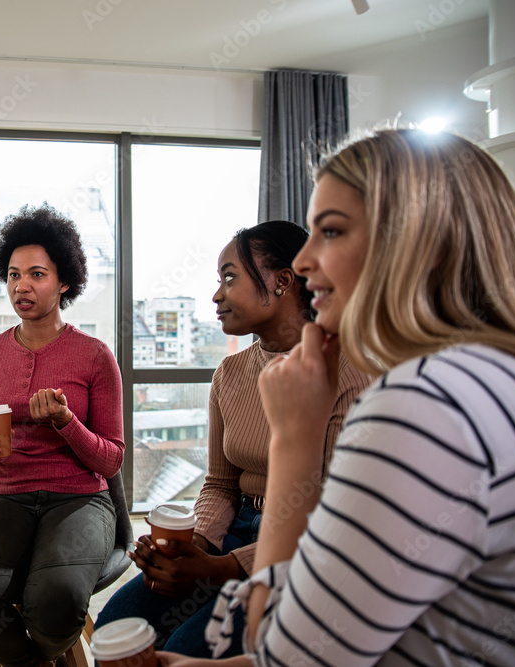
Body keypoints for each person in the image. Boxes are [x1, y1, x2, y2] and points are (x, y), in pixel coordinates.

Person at [161, 129, 515, 666]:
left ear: (418, 244)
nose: (307, 259)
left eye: (331, 231)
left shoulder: (420, 409)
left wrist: (295, 436)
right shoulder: (498, 378)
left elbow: (285, 653)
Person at [95, 221, 371, 657]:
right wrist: (192, 547)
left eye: (229, 277)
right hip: (234, 532)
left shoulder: (349, 374)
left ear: (282, 282)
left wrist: (220, 569)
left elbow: (338, 519)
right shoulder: (230, 373)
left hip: (304, 548)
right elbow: (221, 484)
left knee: (189, 646)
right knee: (117, 626)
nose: (216, 295)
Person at [0, 204, 124, 667]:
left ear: (64, 281)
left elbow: (110, 461)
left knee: (59, 598)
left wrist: (67, 423)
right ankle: (39, 661)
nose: (20, 286)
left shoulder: (95, 357)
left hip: (79, 498)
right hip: (5, 493)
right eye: (12, 275)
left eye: (36, 274)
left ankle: (28, 656)